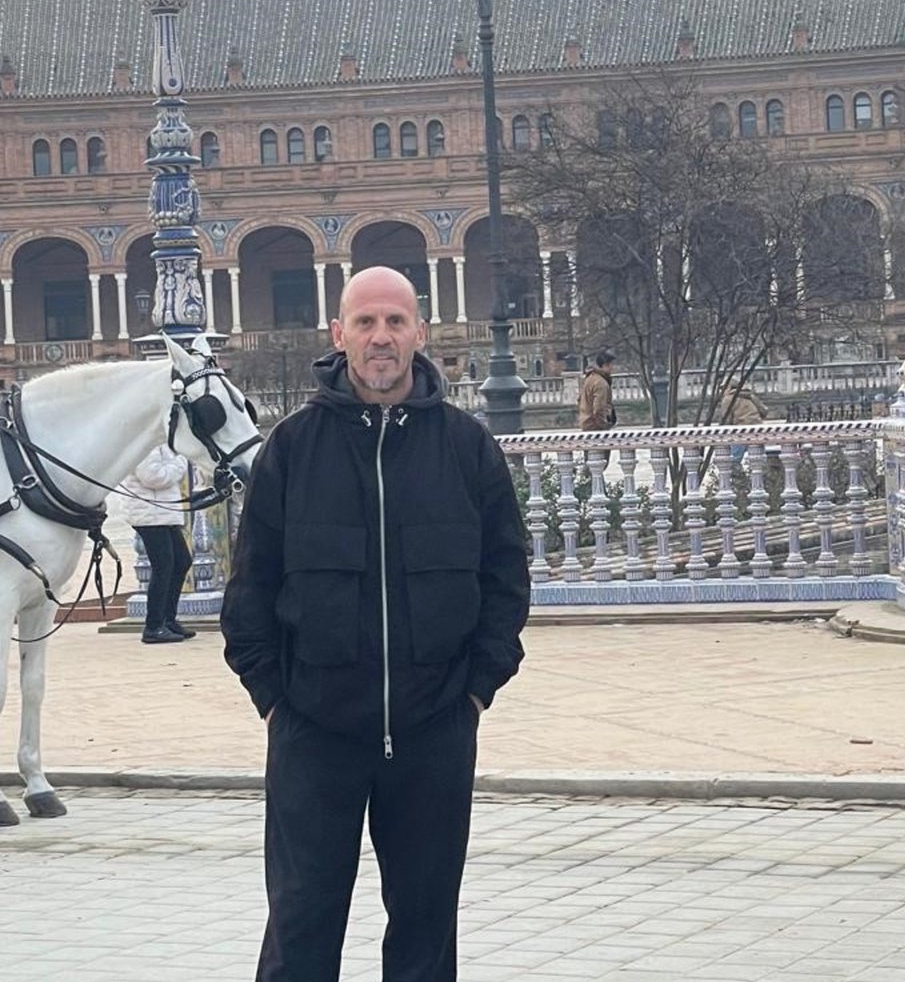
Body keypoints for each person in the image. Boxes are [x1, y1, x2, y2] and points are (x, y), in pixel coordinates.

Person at [221, 265, 530, 982]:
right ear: (339, 335)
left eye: (395, 322)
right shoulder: (293, 449)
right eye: (366, 323)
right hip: (315, 731)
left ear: (421, 334)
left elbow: (505, 583)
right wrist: (276, 702)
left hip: (433, 730)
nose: (381, 338)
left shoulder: (466, 447)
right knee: (300, 929)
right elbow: (250, 592)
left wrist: (474, 693)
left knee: (426, 932)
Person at [116, 444, 195, 645]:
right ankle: (153, 626)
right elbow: (153, 476)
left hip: (162, 513)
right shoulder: (146, 444)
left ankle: (168, 619)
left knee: (182, 561)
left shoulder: (163, 444)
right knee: (164, 566)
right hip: (148, 513)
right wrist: (181, 461)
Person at [721, 378, 767, 464]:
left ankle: (737, 476)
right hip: (758, 430)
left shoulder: (728, 399)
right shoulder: (750, 396)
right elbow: (764, 411)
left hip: (740, 431)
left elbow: (726, 420)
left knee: (735, 460)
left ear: (729, 387)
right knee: (759, 460)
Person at [577, 348, 617, 431]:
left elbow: (580, 400)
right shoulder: (601, 383)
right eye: (611, 364)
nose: (613, 367)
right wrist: (604, 425)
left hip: (586, 423)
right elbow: (599, 408)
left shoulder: (589, 379)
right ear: (605, 365)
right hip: (595, 427)